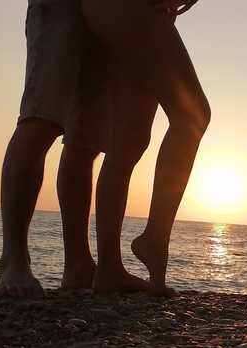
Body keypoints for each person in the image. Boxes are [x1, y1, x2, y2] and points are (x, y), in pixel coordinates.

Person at [0, 0, 149, 296]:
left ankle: (78, 264)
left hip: (113, 12)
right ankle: (13, 260)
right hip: (63, 5)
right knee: (40, 119)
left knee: (86, 140)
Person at [81, 0, 210, 296]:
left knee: (129, 139)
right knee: (193, 115)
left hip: (115, 11)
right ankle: (155, 238)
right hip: (134, 9)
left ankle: (109, 269)